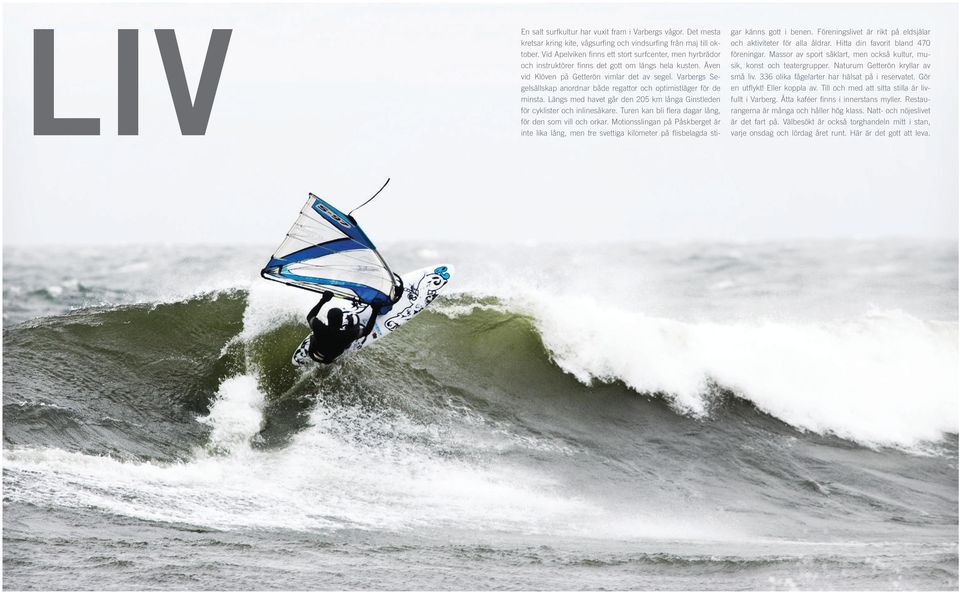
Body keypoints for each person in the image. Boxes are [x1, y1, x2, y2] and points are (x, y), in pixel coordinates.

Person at [305, 290, 380, 364]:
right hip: (330, 359)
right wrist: (375, 311)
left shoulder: (319, 328)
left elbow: (310, 316)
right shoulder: (347, 335)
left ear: (328, 318)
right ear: (341, 321)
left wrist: (323, 300)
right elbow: (367, 331)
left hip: (313, 353)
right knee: (349, 340)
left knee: (314, 334)